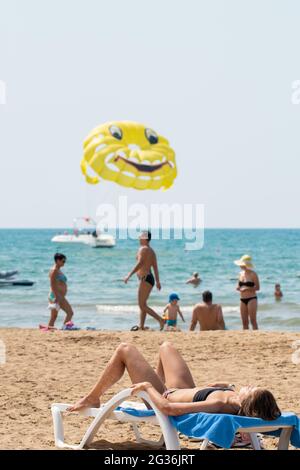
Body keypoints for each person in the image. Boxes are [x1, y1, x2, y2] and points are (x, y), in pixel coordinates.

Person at [68, 341, 281, 423]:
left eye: (251, 390)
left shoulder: (221, 404)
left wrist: (148, 387)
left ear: (247, 403)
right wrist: (225, 387)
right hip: (183, 389)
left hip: (163, 397)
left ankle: (94, 397)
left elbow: (169, 408)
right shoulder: (232, 399)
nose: (249, 385)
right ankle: (153, 378)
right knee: (165, 347)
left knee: (125, 349)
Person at [124, 231, 164, 330]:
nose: (138, 237)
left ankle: (160, 320)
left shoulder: (143, 249)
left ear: (144, 238)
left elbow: (140, 263)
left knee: (142, 305)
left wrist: (129, 274)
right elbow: (155, 267)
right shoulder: (151, 251)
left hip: (146, 278)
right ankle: (141, 326)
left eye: (140, 236)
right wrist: (158, 281)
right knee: (143, 304)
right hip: (150, 279)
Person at [47, 253, 74, 328]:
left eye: (65, 261)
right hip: (56, 296)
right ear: (57, 260)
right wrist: (56, 297)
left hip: (58, 295)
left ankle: (50, 330)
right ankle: (64, 328)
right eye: (63, 261)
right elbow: (52, 284)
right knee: (70, 312)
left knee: (54, 316)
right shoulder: (54, 270)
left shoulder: (58, 270)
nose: (64, 262)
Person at [234, 255, 260, 330]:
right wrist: (238, 288)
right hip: (242, 299)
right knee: (244, 322)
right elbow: (238, 286)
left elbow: (258, 288)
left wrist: (247, 288)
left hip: (251, 299)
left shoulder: (253, 274)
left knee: (253, 321)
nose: (240, 266)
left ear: (246, 265)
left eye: (241, 264)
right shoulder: (240, 274)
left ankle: (256, 336)